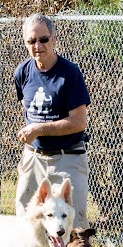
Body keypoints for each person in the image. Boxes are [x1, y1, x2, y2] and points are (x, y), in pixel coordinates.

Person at [12, 13, 90, 229]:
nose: (38, 45)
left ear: (54, 39)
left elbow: (78, 122)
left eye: (43, 39)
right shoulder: (23, 72)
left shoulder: (70, 74)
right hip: (33, 159)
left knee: (74, 228)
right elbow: (27, 111)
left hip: (67, 160)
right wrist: (33, 134)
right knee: (26, 225)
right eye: (31, 41)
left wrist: (39, 129)